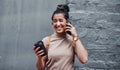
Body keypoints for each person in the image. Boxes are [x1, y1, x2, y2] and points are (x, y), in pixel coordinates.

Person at [33, 4, 88, 70]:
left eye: (61, 20)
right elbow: (40, 68)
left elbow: (84, 59)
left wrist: (75, 35)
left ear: (67, 22)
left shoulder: (72, 40)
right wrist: (39, 57)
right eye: (55, 21)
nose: (58, 24)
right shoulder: (46, 41)